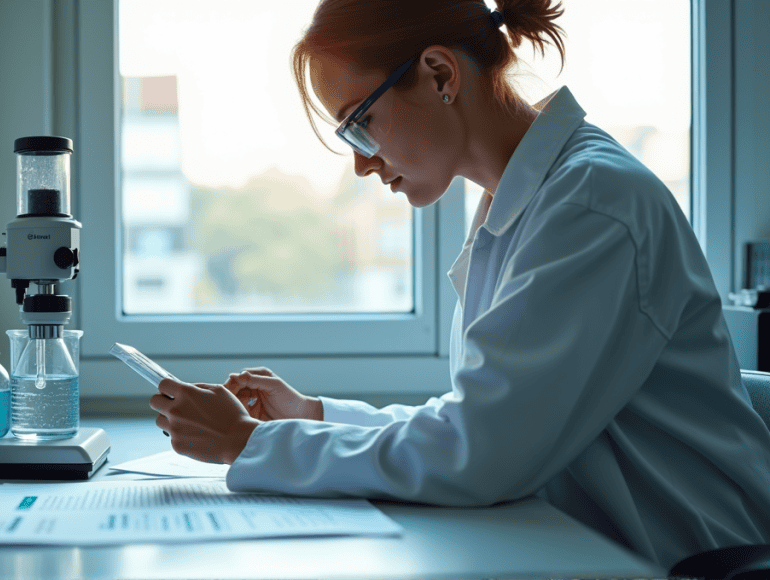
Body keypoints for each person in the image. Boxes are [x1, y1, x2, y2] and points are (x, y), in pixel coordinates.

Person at [148, 0, 770, 569]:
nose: (361, 162)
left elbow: (482, 453)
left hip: (704, 561)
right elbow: (483, 424)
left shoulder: (592, 203)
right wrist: (316, 416)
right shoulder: (522, 201)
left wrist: (249, 442)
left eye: (358, 125)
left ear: (441, 74)